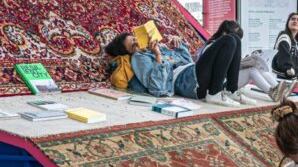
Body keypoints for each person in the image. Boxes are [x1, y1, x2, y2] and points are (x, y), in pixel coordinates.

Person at [104, 27, 245, 108]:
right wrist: (158, 56)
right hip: (186, 82)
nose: (137, 43)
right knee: (228, 40)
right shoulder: (139, 58)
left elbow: (187, 62)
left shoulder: (159, 47)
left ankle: (231, 90)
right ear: (129, 52)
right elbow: (157, 88)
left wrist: (179, 45)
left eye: (135, 38)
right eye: (133, 45)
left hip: (192, 71)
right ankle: (214, 93)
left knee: (235, 39)